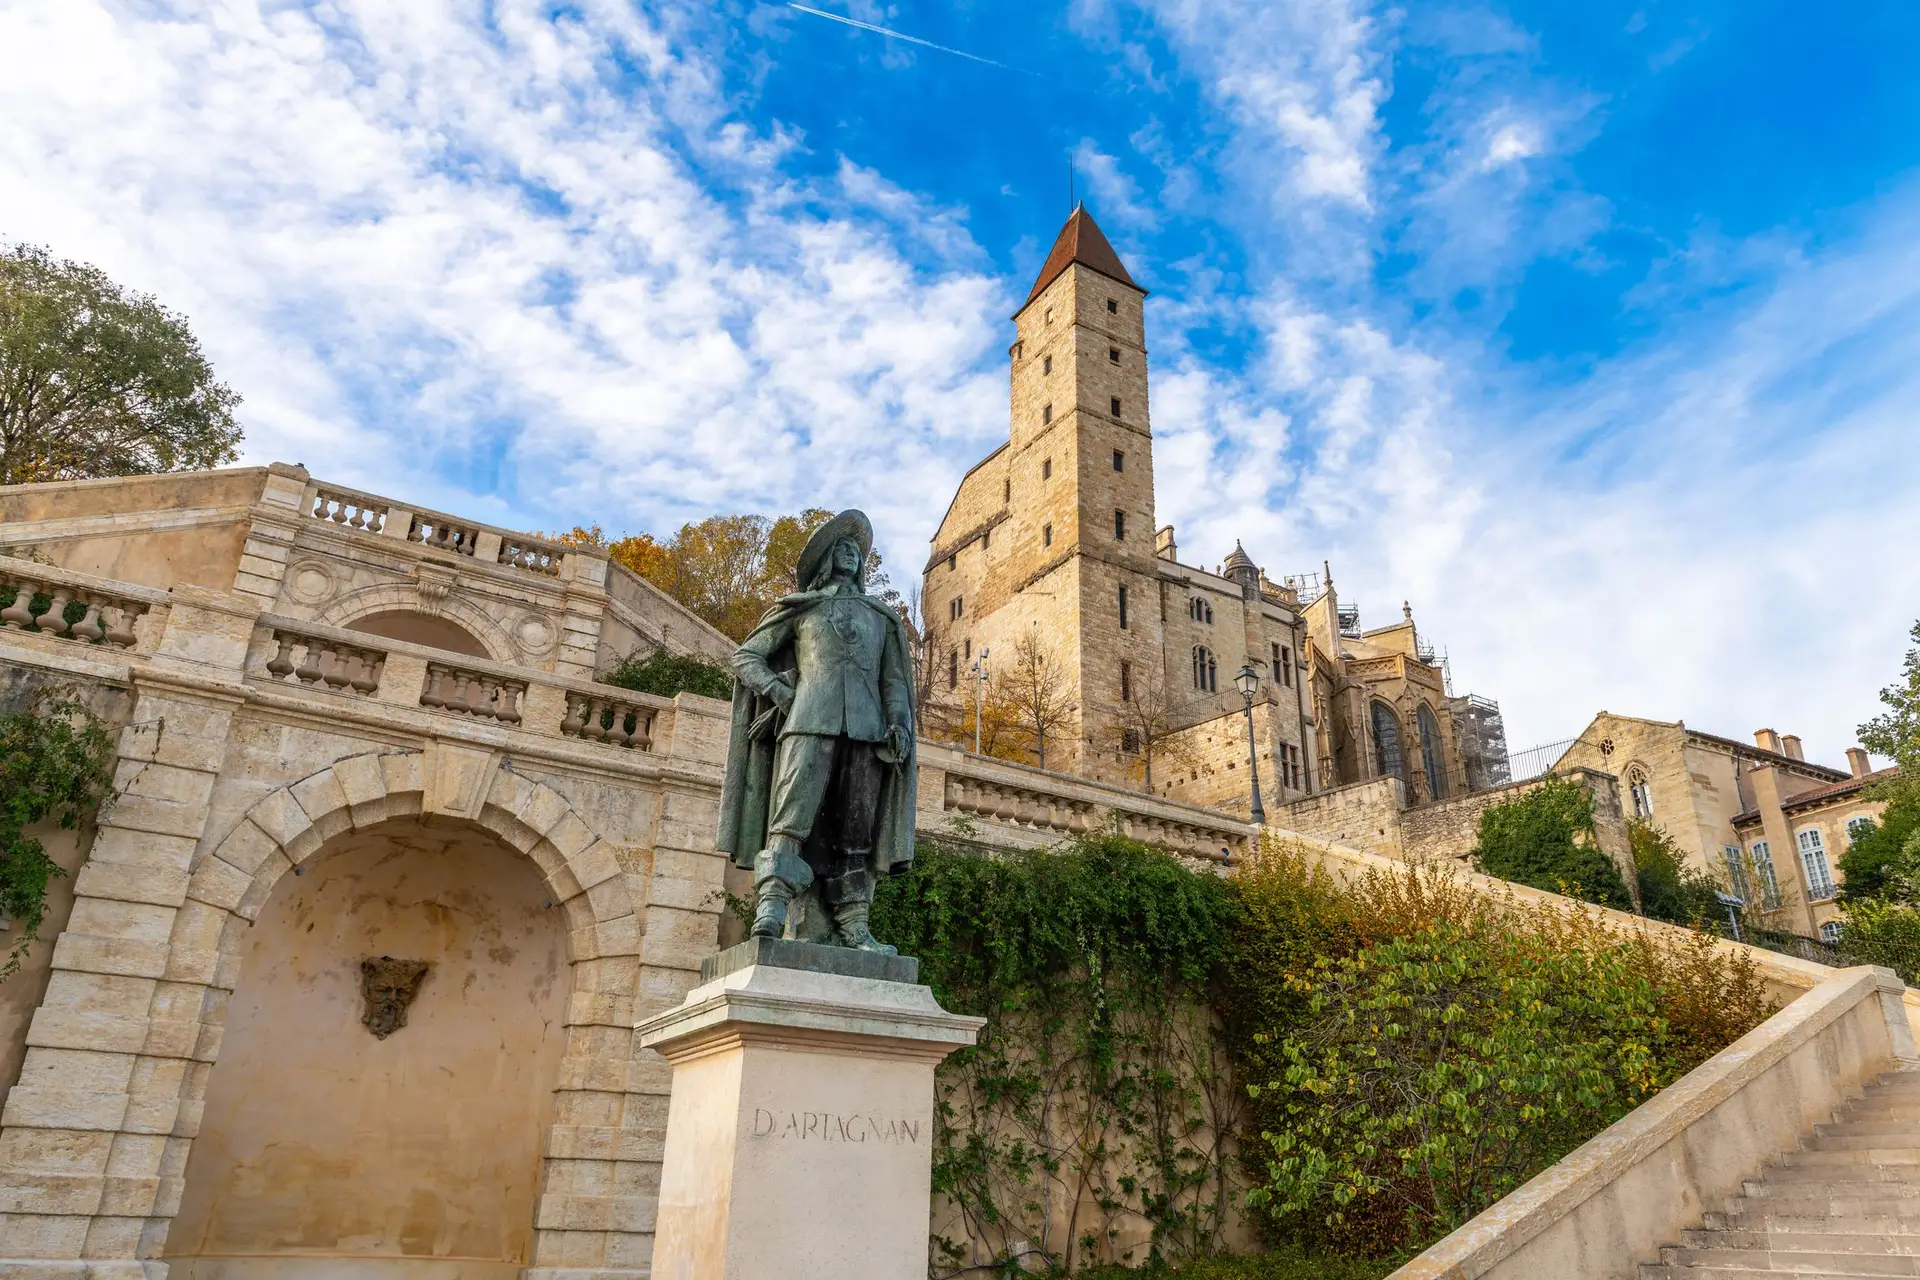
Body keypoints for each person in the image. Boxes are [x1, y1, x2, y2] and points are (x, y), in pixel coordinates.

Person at [715, 510, 916, 952]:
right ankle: (772, 906)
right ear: (826, 558)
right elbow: (747, 656)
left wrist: (899, 720)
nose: (850, 554)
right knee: (790, 818)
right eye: (841, 547)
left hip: (868, 732)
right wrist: (780, 694)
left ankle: (855, 925)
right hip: (808, 721)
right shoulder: (801, 608)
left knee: (856, 831)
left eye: (856, 550)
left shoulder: (879, 618)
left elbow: (894, 680)